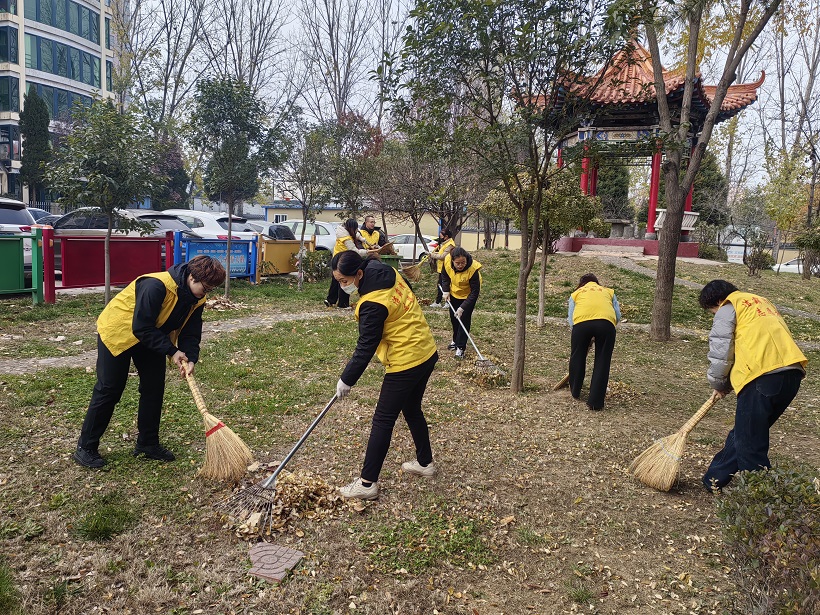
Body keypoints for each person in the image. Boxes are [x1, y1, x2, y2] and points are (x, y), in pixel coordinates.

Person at [73, 255, 226, 468]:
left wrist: (191, 357)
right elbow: (141, 327)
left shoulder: (197, 298)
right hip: (120, 331)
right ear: (192, 277)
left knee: (154, 388)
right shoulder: (156, 285)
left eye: (211, 289)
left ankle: (147, 443)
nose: (206, 293)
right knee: (110, 388)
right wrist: (172, 351)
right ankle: (86, 447)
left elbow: (191, 332)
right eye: (206, 287)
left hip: (153, 336)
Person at [332, 250, 439, 500]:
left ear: (359, 273)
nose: (342, 286)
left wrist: (347, 379)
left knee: (383, 419)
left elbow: (366, 345)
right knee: (412, 409)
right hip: (425, 349)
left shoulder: (372, 303)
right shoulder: (387, 271)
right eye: (338, 281)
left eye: (344, 281)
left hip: (406, 360)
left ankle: (367, 483)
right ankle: (425, 463)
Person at [698, 280, 806, 492]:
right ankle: (714, 480)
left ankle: (760, 498)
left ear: (717, 301)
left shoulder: (728, 307)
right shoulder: (761, 302)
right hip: (791, 373)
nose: (715, 315)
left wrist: (718, 382)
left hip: (763, 377)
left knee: (750, 443)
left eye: (712, 312)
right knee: (746, 432)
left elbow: (721, 351)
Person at [567, 273, 620, 411]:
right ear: (597, 283)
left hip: (581, 324)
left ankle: (575, 391)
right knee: (603, 360)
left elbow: (571, 319)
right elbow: (617, 315)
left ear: (581, 284)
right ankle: (595, 402)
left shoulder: (576, 293)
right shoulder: (608, 292)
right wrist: (606, 326)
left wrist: (581, 336)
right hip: (606, 324)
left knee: (577, 355)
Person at [441, 246, 481, 360]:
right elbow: (445, 276)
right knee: (454, 319)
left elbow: (474, 292)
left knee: (464, 320)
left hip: (468, 295)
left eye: (463, 262)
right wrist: (446, 290)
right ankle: (455, 340)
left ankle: (461, 348)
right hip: (454, 292)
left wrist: (462, 308)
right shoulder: (447, 261)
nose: (460, 265)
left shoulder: (473, 269)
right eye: (457, 263)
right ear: (452, 260)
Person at [325, 219, 375, 309]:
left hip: (336, 260)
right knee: (345, 280)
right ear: (351, 228)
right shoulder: (346, 238)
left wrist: (365, 241)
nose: (356, 231)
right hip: (342, 261)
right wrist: (368, 252)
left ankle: (330, 300)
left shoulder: (344, 231)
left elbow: (358, 235)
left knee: (336, 281)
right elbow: (355, 251)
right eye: (355, 229)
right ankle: (343, 304)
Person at [428, 228, 456, 307]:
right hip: (442, 268)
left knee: (445, 285)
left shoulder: (450, 245)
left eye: (441, 236)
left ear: (446, 236)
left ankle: (447, 302)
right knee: (440, 285)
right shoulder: (444, 244)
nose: (440, 238)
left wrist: (432, 255)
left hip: (447, 268)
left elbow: (442, 256)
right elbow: (441, 253)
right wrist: (434, 253)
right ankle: (438, 302)